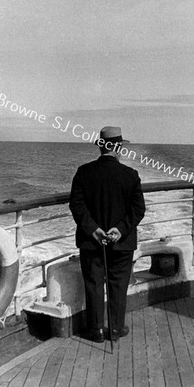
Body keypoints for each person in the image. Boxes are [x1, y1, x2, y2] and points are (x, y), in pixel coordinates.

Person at [69, 126, 145, 342]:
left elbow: (77, 206)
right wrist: (119, 230)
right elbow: (138, 210)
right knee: (118, 285)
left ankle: (95, 330)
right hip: (122, 243)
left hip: (91, 242)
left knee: (93, 284)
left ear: (101, 147)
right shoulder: (131, 175)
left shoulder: (84, 172)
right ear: (119, 147)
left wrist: (94, 230)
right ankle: (116, 328)